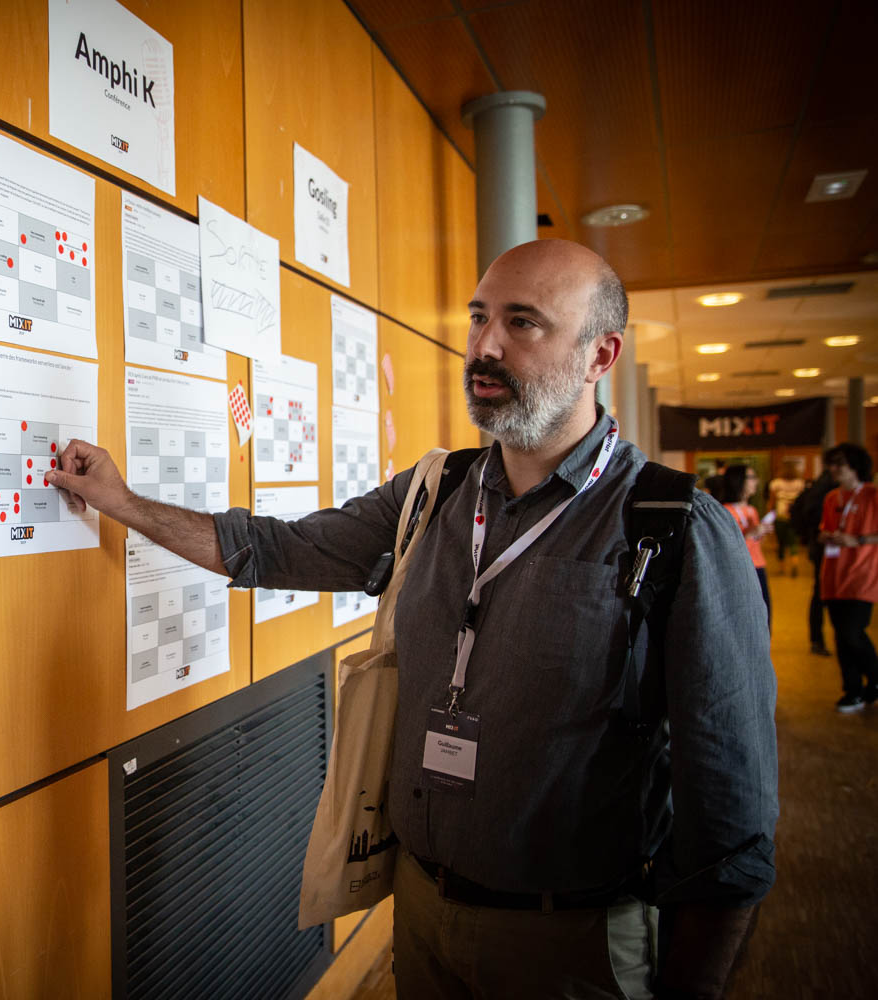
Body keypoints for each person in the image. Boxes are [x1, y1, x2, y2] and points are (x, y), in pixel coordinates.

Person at [47, 239, 777, 999]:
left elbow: (731, 818)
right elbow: (278, 549)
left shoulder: (671, 526)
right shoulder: (439, 491)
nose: (485, 346)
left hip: (573, 943)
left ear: (601, 355)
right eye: (479, 317)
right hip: (421, 908)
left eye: (523, 322)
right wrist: (121, 503)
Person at [817, 443, 878, 712]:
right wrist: (825, 536)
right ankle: (853, 690)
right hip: (833, 574)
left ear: (855, 466)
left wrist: (859, 540)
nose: (834, 469)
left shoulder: (872, 495)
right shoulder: (832, 497)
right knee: (841, 636)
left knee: (852, 632)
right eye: (831, 463)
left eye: (839, 463)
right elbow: (825, 528)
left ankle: (874, 679)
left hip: (862, 574)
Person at [792, 465, 837, 655]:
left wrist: (807, 536)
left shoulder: (817, 487)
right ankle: (827, 638)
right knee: (825, 592)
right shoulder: (830, 490)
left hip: (819, 546)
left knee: (820, 592)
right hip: (828, 546)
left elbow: (797, 510)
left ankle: (817, 639)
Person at [720, 464, 772, 627]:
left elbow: (755, 543)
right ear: (738, 481)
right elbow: (724, 546)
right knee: (746, 618)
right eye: (752, 477)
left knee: (764, 614)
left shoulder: (752, 510)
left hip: (758, 565)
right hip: (739, 569)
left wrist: (760, 532)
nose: (756, 481)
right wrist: (749, 534)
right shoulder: (725, 511)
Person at [766, 461, 806, 576]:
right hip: (794, 517)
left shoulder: (776, 483)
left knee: (781, 543)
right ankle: (794, 563)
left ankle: (782, 568)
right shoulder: (800, 483)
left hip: (780, 516)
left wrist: (769, 517)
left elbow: (771, 502)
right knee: (793, 542)